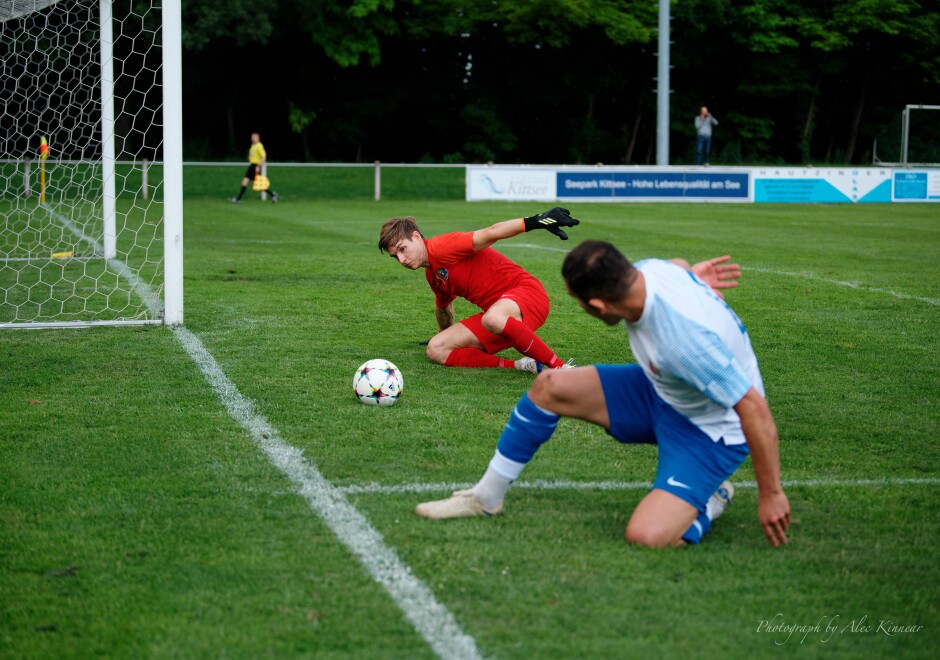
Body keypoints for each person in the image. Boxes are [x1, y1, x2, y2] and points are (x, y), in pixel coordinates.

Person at [416, 240, 791, 549]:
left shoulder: (682, 340)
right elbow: (676, 262)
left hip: (710, 429)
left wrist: (771, 492)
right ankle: (486, 497)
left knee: (647, 536)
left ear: (598, 306)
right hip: (662, 390)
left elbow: (754, 409)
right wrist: (691, 275)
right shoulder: (650, 270)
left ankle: (711, 499)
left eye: (581, 304)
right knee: (550, 386)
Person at [378, 208, 580, 372]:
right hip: (500, 318)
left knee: (492, 318)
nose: (402, 260)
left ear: (416, 236)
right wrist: (443, 335)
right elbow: (443, 309)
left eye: (402, 249)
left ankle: (561, 368)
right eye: (395, 256)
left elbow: (490, 232)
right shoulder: (433, 275)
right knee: (436, 349)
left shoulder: (441, 247)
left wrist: (538, 220)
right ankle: (521, 365)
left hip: (527, 294)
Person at [229, 132, 279, 204]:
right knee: (248, 183)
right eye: (252, 137)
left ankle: (238, 199)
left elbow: (264, 157)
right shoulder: (253, 145)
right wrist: (250, 158)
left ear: (258, 138)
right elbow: (254, 155)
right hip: (252, 166)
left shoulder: (259, 146)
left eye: (255, 137)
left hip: (255, 166)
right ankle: (272, 194)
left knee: (254, 183)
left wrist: (258, 166)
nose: (253, 138)